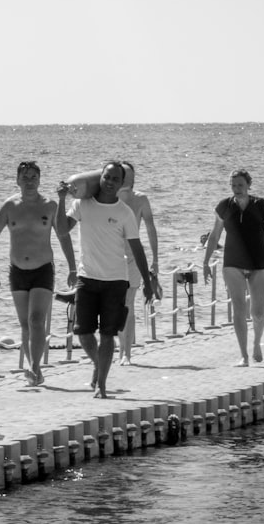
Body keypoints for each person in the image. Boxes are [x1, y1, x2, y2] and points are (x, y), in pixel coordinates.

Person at [56, 162, 155, 399]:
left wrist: (148, 283)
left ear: (121, 184)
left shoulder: (124, 212)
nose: (110, 182)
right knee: (83, 333)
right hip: (87, 279)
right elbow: (61, 230)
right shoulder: (81, 204)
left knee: (108, 334)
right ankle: (99, 364)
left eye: (115, 179)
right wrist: (61, 200)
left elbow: (137, 248)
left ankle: (101, 385)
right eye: (107, 177)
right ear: (100, 177)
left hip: (115, 281)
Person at [0, 161, 77, 386]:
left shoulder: (50, 205)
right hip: (17, 271)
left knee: (37, 320)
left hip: (43, 270)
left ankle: (34, 367)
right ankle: (35, 369)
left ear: (39, 180)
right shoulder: (9, 206)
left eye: (33, 177)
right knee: (25, 325)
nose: (29, 181)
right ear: (17, 180)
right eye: (24, 177)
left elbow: (63, 236)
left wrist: (73, 268)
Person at [201, 169, 264, 366]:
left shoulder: (260, 205)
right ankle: (244, 356)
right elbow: (214, 236)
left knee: (258, 312)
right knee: (239, 309)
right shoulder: (224, 206)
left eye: (240, 185)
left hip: (259, 262)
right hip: (232, 262)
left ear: (248, 185)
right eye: (233, 185)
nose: (237, 189)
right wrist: (205, 262)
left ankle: (256, 343)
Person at [116, 161, 162, 366]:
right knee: (115, 305)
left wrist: (155, 260)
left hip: (134, 256)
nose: (125, 178)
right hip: (111, 257)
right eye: (122, 175)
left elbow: (151, 228)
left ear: (133, 178)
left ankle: (126, 353)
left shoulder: (141, 199)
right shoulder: (109, 198)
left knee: (128, 303)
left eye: (128, 175)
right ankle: (119, 349)